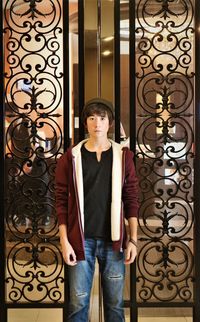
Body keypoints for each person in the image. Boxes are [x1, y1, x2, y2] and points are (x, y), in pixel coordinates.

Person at [55, 98, 139, 322]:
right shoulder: (71, 157)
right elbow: (61, 201)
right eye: (92, 118)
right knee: (78, 304)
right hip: (80, 241)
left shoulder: (123, 156)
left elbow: (131, 199)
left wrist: (133, 240)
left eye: (102, 118)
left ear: (110, 123)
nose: (97, 123)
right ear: (85, 123)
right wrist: (64, 241)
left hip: (114, 242)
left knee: (115, 306)